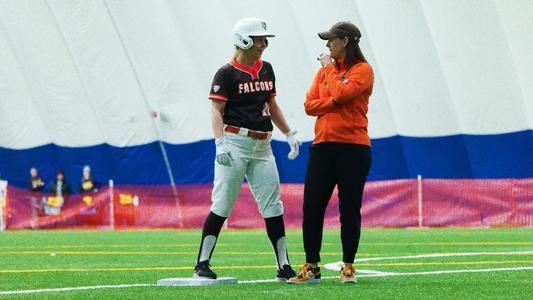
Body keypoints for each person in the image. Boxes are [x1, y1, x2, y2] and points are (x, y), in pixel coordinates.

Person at [193, 17, 301, 281]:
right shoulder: (226, 73)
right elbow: (216, 111)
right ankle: (202, 263)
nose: (264, 44)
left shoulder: (267, 69)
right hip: (234, 141)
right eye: (260, 39)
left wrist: (288, 133)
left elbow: (272, 105)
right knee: (223, 202)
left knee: (273, 206)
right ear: (244, 40)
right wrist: (219, 143)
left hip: (263, 144)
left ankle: (283, 265)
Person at [288, 21, 374, 284]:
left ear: (345, 41)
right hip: (323, 147)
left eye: (331, 40)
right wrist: (334, 101)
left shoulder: (363, 70)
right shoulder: (324, 73)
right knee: (312, 207)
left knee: (350, 209)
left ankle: (348, 266)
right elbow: (309, 106)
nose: (327, 45)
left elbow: (343, 91)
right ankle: (311, 266)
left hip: (354, 148)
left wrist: (330, 72)